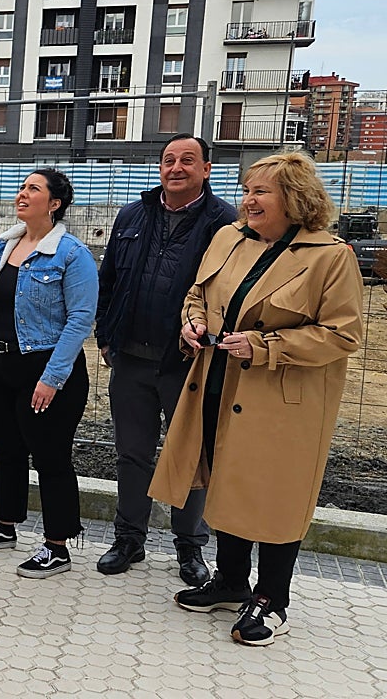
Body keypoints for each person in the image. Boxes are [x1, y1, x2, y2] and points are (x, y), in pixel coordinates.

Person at [151, 152, 362, 646]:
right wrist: (193, 322)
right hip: (220, 382)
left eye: (261, 191)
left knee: (275, 493)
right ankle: (229, 581)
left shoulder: (332, 256)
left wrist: (266, 347)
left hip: (284, 400)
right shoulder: (229, 238)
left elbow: (343, 335)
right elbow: (197, 294)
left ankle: (272, 599)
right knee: (228, 479)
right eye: (247, 189)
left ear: (295, 199)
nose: (248, 200)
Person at [94, 134, 237, 585]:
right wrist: (105, 335)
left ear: (207, 169)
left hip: (189, 365)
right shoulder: (133, 214)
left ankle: (189, 548)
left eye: (187, 161)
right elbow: (109, 278)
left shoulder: (226, 224)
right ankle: (128, 539)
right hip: (131, 360)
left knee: (190, 457)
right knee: (131, 455)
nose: (176, 168)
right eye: (168, 160)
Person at [0, 169, 97, 578]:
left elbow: (80, 320)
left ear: (54, 203)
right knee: (6, 447)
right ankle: (5, 524)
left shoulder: (72, 253)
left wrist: (52, 378)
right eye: (22, 187)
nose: (22, 194)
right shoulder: (7, 245)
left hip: (44, 367)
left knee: (51, 454)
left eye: (32, 189)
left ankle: (57, 545)